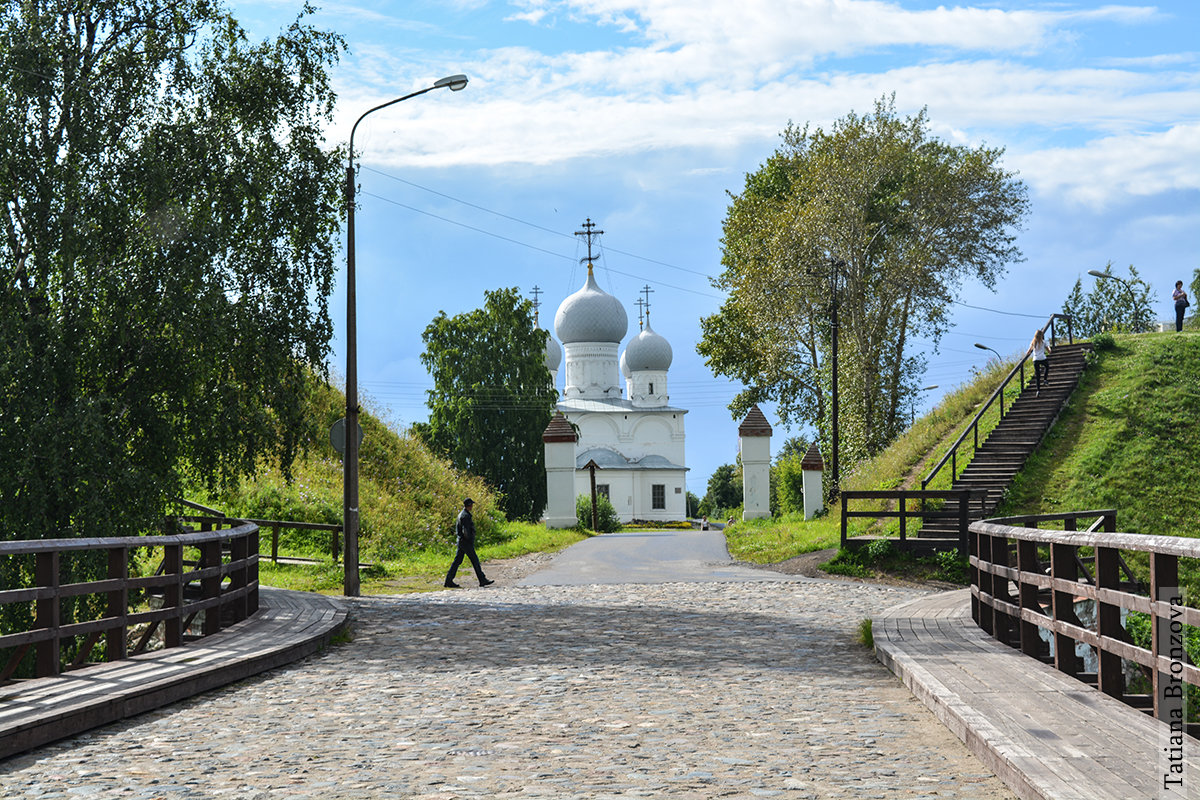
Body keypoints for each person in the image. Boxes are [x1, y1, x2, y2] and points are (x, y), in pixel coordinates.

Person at [444, 498, 493, 588]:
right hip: (466, 542)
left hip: (461, 541)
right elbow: (466, 531)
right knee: (475, 561)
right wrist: (470, 540)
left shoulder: (461, 514)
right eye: (471, 505)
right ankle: (482, 580)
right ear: (469, 505)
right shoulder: (466, 516)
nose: (472, 506)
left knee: (457, 561)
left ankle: (448, 580)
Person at [1028, 329, 1050, 395]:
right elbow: (1048, 349)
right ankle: (1045, 380)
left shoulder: (1033, 343)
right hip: (1042, 358)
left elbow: (1029, 351)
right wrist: (1049, 350)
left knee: (1038, 375)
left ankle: (1038, 390)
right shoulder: (1043, 342)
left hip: (1035, 359)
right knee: (1047, 366)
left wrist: (1028, 353)